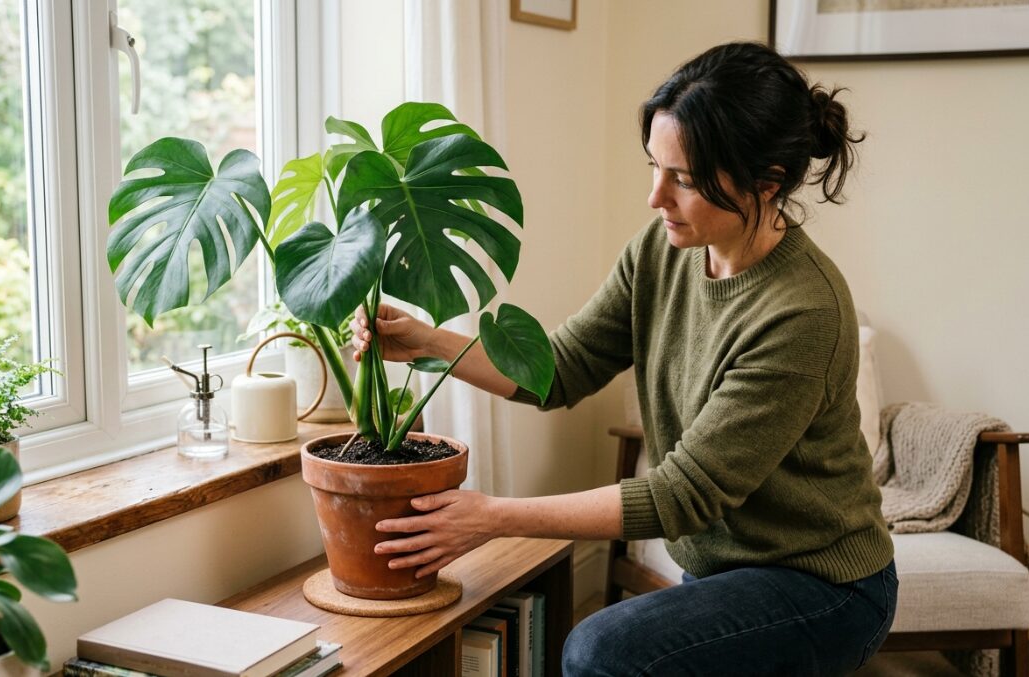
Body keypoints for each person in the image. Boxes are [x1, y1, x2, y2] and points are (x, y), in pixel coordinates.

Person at [351, 41, 896, 676]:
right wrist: (428, 341)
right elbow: (558, 368)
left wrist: (494, 517)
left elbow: (682, 495)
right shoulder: (663, 251)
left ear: (766, 181)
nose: (655, 197)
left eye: (684, 179)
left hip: (822, 586)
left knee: (601, 651)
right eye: (655, 167)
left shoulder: (801, 310)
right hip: (720, 570)